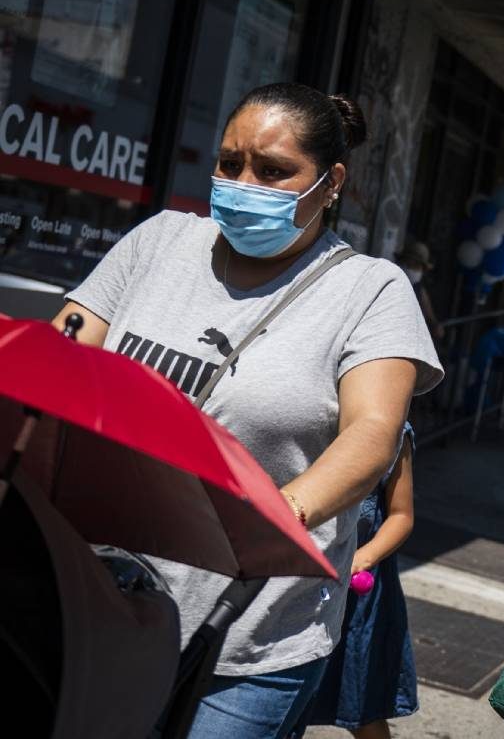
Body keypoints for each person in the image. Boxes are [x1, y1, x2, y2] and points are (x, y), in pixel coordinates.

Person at [52, 82, 443, 739]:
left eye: (273, 170)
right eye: (230, 163)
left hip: (250, 631)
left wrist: (272, 514)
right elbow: (67, 348)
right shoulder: (160, 242)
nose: (243, 182)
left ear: (332, 181)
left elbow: (372, 434)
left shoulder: (371, 289)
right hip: (99, 601)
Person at [298, 423, 419, 738]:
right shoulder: (307, 416)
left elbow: (401, 515)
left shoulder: (393, 431)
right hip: (296, 580)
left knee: (361, 705)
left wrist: (362, 558)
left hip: (356, 595)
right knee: (282, 696)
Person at [397, 240, 444, 340]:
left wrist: (435, 326)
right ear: (402, 262)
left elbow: (430, 315)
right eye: (409, 264)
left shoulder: (419, 290)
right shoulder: (388, 280)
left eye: (417, 266)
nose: (412, 269)